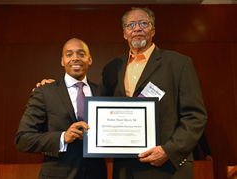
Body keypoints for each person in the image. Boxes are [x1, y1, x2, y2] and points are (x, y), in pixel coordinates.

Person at [35, 7, 207, 179]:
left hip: (168, 168)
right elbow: (99, 110)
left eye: (143, 23)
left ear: (153, 30)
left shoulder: (178, 64)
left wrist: (169, 151)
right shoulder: (112, 69)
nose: (137, 28)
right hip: (125, 170)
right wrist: (56, 88)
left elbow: (195, 116)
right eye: (131, 25)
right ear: (125, 33)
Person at [15, 38, 108, 179]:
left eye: (81, 54)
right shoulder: (45, 92)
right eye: (69, 54)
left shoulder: (103, 93)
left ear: (90, 60)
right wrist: (63, 137)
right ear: (62, 61)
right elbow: (23, 139)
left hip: (96, 174)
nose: (75, 58)